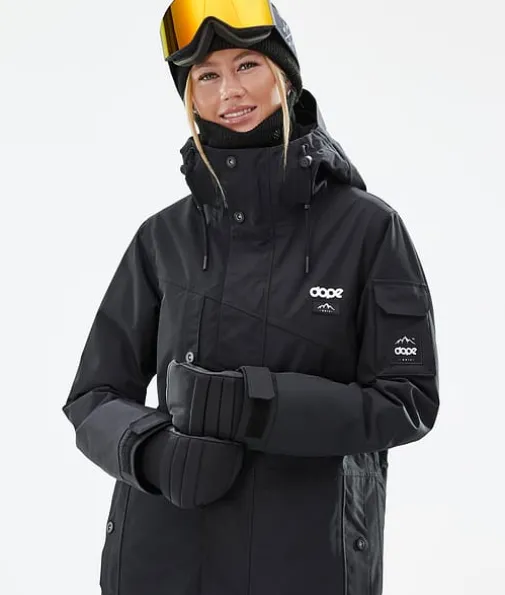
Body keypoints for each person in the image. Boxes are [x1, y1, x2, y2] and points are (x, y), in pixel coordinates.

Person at [62, 1, 440, 594]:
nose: (229, 91)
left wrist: (260, 406)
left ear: (284, 77)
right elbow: (93, 394)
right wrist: (151, 452)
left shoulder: (369, 230)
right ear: (190, 98)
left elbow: (408, 400)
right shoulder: (163, 237)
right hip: (162, 559)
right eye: (207, 76)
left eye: (247, 65)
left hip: (305, 561)